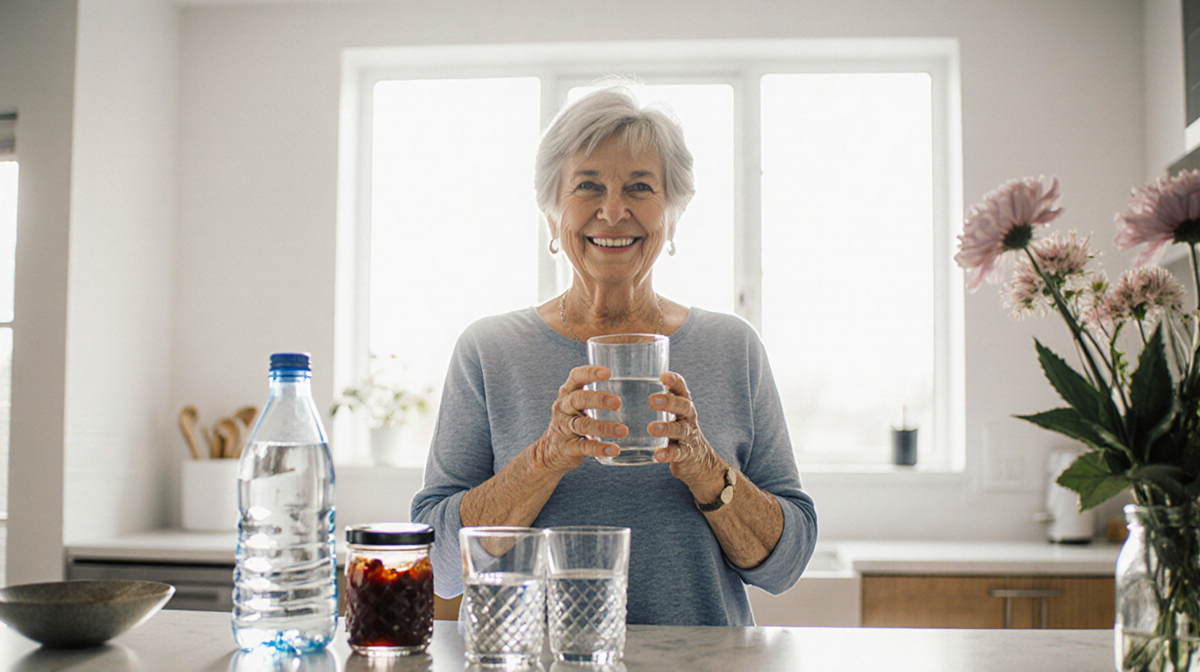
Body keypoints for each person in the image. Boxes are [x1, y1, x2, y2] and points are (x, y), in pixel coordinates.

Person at [410, 86, 817, 626]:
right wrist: (547, 457)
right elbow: (438, 565)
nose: (613, 210)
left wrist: (704, 468)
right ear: (552, 216)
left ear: (672, 217)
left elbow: (785, 566)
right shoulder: (489, 350)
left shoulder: (732, 347)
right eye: (587, 186)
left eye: (640, 187)